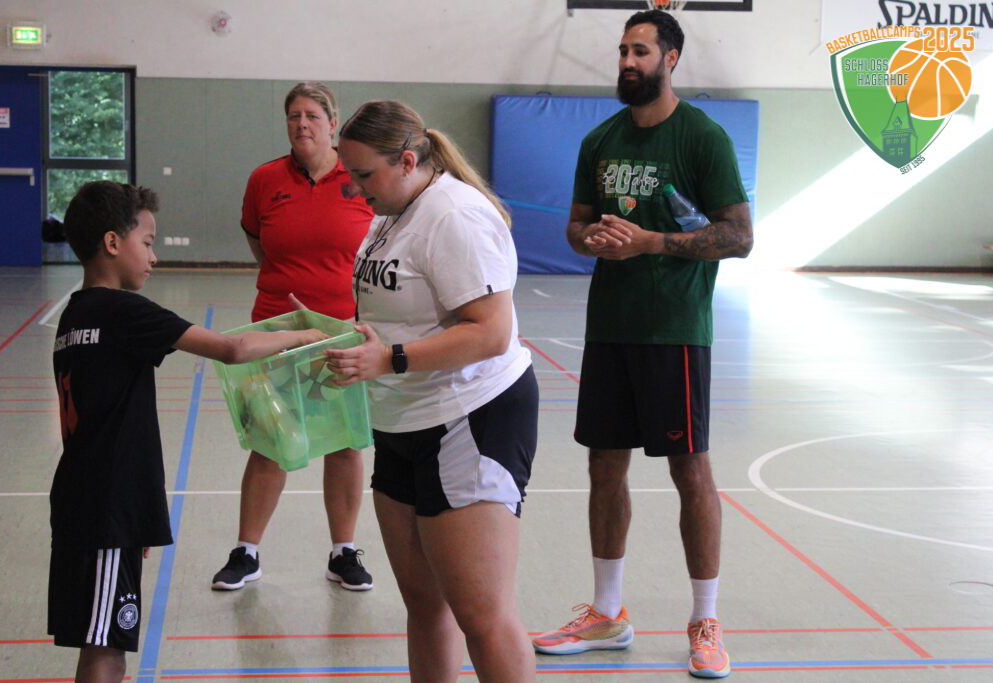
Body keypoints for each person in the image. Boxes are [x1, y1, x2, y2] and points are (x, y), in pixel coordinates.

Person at [531, 10, 753, 680]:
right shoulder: (600, 140)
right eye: (623, 50)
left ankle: (706, 621)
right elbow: (575, 226)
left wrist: (652, 242)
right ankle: (607, 612)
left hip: (674, 330)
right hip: (610, 326)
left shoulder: (703, 137)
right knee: (604, 466)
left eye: (641, 51)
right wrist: (592, 239)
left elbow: (739, 236)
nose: (628, 61)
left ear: (671, 59)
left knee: (690, 470)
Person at [49, 181, 326, 683]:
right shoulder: (122, 310)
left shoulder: (75, 314)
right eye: (147, 242)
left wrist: (135, 516)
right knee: (105, 651)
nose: (153, 256)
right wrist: (305, 334)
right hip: (109, 507)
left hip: (87, 502)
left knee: (103, 641)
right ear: (112, 243)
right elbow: (232, 349)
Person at [321, 100, 538, 682]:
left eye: (363, 174)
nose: (355, 188)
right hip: (403, 417)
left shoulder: (454, 215)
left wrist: (390, 357)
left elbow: (490, 332)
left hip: (470, 415)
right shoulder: (392, 211)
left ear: (407, 161)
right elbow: (401, 310)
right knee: (425, 605)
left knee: (482, 615)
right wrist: (345, 338)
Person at [210, 82, 376, 592]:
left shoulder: (359, 177)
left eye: (312, 115)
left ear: (333, 123)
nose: (301, 124)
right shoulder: (265, 179)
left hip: (342, 332)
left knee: (345, 443)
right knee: (270, 439)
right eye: (293, 115)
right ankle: (247, 552)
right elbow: (257, 241)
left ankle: (343, 552)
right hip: (276, 332)